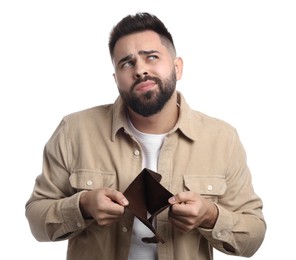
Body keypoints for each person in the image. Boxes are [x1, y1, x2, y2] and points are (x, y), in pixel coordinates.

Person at [25, 12, 266, 260]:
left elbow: (253, 236)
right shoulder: (74, 131)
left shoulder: (222, 139)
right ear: (116, 78)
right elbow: (36, 219)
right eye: (126, 63)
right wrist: (83, 206)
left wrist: (210, 216)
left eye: (151, 57)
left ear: (177, 67)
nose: (140, 70)